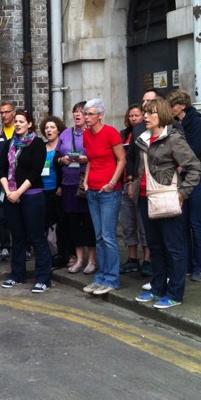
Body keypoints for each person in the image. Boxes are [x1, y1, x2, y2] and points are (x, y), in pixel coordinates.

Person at [131, 98, 201, 308]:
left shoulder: (173, 139)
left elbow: (195, 168)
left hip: (167, 198)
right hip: (146, 198)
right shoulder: (143, 138)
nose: (145, 116)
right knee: (155, 247)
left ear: (161, 114)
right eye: (144, 112)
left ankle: (175, 294)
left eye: (150, 112)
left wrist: (183, 193)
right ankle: (157, 289)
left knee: (174, 248)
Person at [0, 111, 52, 292]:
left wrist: (18, 192)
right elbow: (1, 170)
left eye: (22, 121)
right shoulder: (9, 144)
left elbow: (35, 172)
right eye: (16, 121)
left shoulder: (37, 144)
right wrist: (9, 192)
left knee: (36, 237)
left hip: (32, 196)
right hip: (11, 196)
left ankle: (43, 279)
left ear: (29, 124)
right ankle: (17, 275)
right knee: (17, 237)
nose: (18, 124)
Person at [80, 99, 126, 296]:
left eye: (90, 114)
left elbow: (122, 159)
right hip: (92, 190)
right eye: (85, 114)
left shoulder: (110, 133)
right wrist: (86, 180)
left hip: (109, 192)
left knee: (108, 237)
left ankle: (112, 279)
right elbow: (91, 160)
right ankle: (101, 277)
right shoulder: (86, 135)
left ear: (101, 115)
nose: (86, 117)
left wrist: (113, 182)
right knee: (99, 237)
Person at [168, 89, 201, 282]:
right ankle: (186, 265)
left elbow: (193, 152)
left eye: (173, 105)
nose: (170, 109)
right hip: (182, 180)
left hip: (199, 180)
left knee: (196, 223)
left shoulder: (196, 124)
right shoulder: (175, 124)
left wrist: (180, 165)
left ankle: (200, 267)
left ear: (182, 106)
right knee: (183, 223)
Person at [56, 102, 97, 274]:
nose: (78, 114)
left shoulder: (92, 133)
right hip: (68, 183)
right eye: (75, 111)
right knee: (73, 223)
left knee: (88, 222)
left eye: (82, 112)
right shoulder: (65, 133)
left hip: (86, 182)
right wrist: (62, 160)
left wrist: (87, 158)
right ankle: (79, 259)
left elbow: (100, 156)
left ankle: (92, 260)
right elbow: (57, 156)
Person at [118, 104, 151, 277]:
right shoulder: (124, 134)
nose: (134, 118)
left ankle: (147, 259)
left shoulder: (146, 133)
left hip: (141, 183)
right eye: (131, 116)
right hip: (124, 182)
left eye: (137, 115)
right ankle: (132, 258)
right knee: (128, 223)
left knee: (143, 223)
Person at [39, 115, 72, 268]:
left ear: (58, 130)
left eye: (52, 127)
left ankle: (66, 254)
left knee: (62, 224)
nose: (49, 130)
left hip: (57, 190)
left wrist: (60, 186)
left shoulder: (62, 147)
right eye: (46, 128)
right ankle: (51, 254)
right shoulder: (41, 147)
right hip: (42, 190)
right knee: (46, 224)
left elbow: (64, 168)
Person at [0, 101, 16, 261]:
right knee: (2, 215)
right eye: (1, 112)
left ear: (14, 112)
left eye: (7, 112)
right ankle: (5, 246)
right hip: (2, 179)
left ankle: (24, 247)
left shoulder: (20, 130)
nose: (4, 115)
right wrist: (3, 164)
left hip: (19, 179)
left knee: (20, 214)